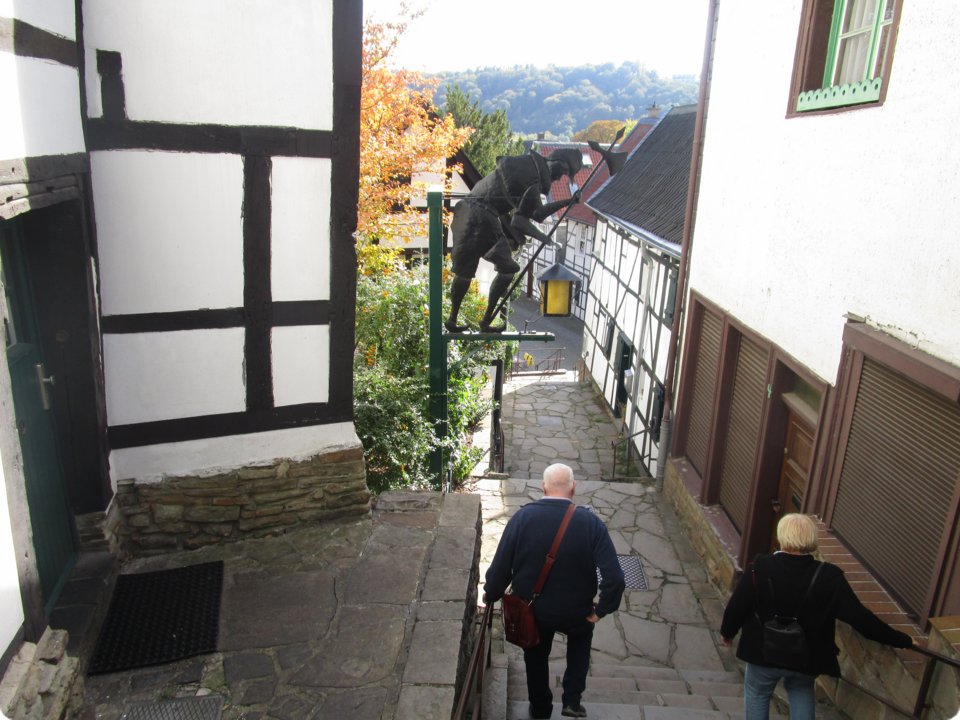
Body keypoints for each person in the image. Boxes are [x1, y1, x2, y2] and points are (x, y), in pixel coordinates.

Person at [720, 513, 915, 719]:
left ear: (782, 536)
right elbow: (861, 619)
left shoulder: (758, 568)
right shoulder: (830, 576)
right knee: (801, 690)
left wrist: (728, 632)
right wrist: (901, 640)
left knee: (758, 693)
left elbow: (737, 607)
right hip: (807, 657)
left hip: (762, 652)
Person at [484, 463, 625, 719]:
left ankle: (540, 707)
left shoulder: (522, 518)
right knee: (581, 641)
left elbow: (501, 567)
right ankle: (572, 700)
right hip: (577, 610)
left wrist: (491, 593)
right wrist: (601, 610)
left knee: (536, 656)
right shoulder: (591, 524)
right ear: (574, 488)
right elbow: (614, 578)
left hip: (534, 610)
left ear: (543, 487)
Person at [445, 149, 584, 333]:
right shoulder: (533, 181)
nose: (560, 179)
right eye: (564, 173)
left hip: (475, 213)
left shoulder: (528, 168)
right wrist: (546, 238)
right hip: (480, 216)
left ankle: (465, 320)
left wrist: (568, 202)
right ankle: (471, 320)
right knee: (479, 270)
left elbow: (537, 213)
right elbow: (520, 221)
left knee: (486, 270)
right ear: (558, 163)